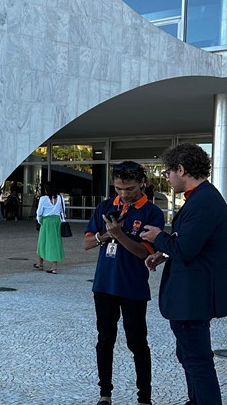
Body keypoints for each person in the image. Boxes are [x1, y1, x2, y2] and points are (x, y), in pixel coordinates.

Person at [140, 143, 227, 405]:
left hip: (192, 298)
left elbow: (186, 249)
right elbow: (191, 243)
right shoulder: (202, 197)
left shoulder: (203, 201)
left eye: (168, 171)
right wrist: (163, 253)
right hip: (191, 297)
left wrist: (158, 238)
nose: (166, 177)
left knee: (198, 361)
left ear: (181, 169)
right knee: (189, 356)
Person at [83, 161, 164, 405]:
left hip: (133, 288)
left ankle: (144, 398)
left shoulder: (152, 213)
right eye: (118, 188)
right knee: (105, 339)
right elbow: (87, 243)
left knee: (137, 342)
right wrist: (107, 234)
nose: (123, 194)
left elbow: (143, 253)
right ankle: (105, 394)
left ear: (141, 183)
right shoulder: (106, 207)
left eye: (128, 188)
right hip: (104, 285)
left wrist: (119, 235)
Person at [34, 182, 65, 274]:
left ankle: (47, 265)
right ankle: (48, 265)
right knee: (54, 242)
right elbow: (63, 211)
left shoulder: (43, 199)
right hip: (56, 221)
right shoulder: (60, 198)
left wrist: (39, 221)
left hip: (46, 221)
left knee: (42, 242)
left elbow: (39, 212)